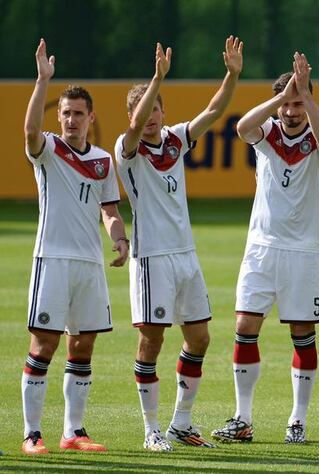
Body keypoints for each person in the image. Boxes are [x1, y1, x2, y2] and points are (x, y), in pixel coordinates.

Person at [115, 37, 243, 451]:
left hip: (185, 255)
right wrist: (156, 77)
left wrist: (232, 74)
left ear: (164, 112)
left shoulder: (175, 139)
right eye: (142, 110)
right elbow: (133, 129)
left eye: (155, 108)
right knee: (152, 339)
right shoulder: (127, 149)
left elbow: (213, 111)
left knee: (200, 338)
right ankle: (150, 428)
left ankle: (180, 423)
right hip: (152, 257)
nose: (149, 117)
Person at [211, 52, 319, 445]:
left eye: (298, 102)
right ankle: (242, 418)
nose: (291, 110)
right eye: (286, 102)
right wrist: (281, 94)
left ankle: (297, 421)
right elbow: (243, 126)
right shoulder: (267, 134)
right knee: (245, 327)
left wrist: (307, 95)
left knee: (302, 333)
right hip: (262, 247)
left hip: (303, 251)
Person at [21, 39, 129, 455]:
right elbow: (30, 131)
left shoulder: (103, 160)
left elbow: (109, 210)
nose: (70, 120)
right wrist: (42, 80)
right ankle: (32, 433)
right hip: (52, 260)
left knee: (82, 345)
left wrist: (118, 238)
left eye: (77, 114)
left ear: (90, 118)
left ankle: (74, 431)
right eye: (65, 113)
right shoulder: (48, 149)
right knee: (43, 344)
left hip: (89, 264)